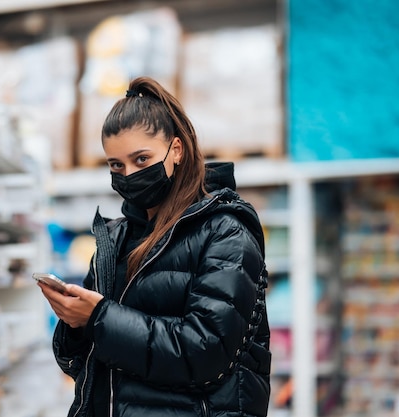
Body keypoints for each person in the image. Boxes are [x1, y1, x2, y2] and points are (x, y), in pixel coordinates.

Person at [37, 76, 271, 417]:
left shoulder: (225, 230)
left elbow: (205, 353)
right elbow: (82, 365)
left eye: (142, 160)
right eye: (116, 165)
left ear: (176, 151)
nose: (128, 174)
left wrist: (99, 317)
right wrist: (75, 324)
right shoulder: (114, 240)